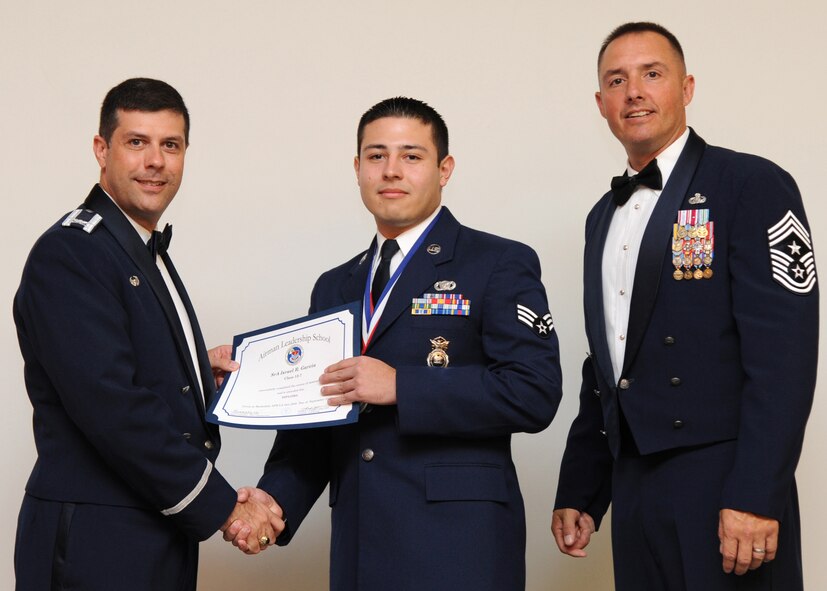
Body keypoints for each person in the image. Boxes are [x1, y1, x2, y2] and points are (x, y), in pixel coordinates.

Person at [234, 97, 562, 590]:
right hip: (362, 544)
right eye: (376, 155)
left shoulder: (497, 262)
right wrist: (271, 502)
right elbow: (317, 417)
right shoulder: (336, 284)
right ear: (357, 167)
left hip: (460, 547)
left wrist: (402, 386)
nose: (391, 171)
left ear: (443, 168)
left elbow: (534, 392)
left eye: (411, 156)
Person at [551, 22, 818, 590]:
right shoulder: (602, 216)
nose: (634, 92)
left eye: (652, 74)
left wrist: (755, 493)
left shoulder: (751, 184)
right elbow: (607, 363)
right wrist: (582, 487)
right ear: (601, 103)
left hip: (725, 481)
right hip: (635, 487)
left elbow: (784, 357)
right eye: (617, 81)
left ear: (687, 87)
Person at [13, 78, 284, 591]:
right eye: (136, 142)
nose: (155, 160)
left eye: (170, 145)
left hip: (149, 526)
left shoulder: (133, 246)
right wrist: (226, 508)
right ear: (102, 149)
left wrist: (197, 373)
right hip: (98, 539)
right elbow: (112, 406)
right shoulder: (72, 252)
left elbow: (115, 362)